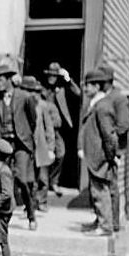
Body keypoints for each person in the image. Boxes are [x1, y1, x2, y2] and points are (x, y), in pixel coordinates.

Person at [0, 63, 39, 231]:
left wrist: (27, 137)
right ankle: (4, 216)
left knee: (21, 179)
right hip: (5, 143)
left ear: (9, 80)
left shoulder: (25, 97)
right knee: (3, 179)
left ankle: (31, 215)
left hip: (21, 144)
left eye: (1, 80)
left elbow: (33, 120)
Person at [79, 68, 117, 237]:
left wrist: (110, 157)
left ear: (96, 86)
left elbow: (109, 135)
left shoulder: (103, 107)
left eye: (87, 85)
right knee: (95, 190)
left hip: (100, 157)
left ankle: (106, 226)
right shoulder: (96, 104)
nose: (85, 89)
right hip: (94, 156)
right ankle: (99, 221)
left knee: (100, 191)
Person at [97, 64, 129, 227]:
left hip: (113, 149)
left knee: (111, 185)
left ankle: (113, 223)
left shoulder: (118, 98)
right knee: (104, 183)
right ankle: (102, 218)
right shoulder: (106, 96)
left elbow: (124, 125)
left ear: (107, 81)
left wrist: (115, 147)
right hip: (105, 148)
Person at [42, 62, 81, 195]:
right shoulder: (42, 88)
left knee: (60, 153)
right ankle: (44, 185)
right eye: (50, 75)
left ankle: (53, 181)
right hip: (44, 127)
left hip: (57, 128)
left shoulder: (62, 88)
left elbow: (78, 93)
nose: (51, 78)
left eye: (54, 76)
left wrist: (68, 79)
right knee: (45, 155)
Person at [21, 76, 55, 213]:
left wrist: (51, 148)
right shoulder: (21, 105)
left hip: (41, 146)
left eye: (33, 91)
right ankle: (30, 203)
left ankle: (42, 201)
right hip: (28, 146)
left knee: (42, 177)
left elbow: (49, 127)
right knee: (29, 177)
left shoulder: (42, 106)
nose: (31, 94)